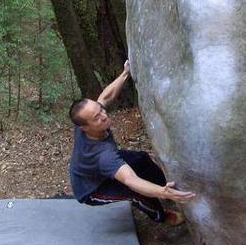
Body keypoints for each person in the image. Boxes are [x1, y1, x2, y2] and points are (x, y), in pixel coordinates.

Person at [69, 61, 195, 225]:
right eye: (97, 117)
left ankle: (163, 186)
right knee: (135, 193)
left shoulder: (87, 121)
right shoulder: (103, 155)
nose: (103, 115)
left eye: (100, 110)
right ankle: (161, 215)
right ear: (84, 128)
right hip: (92, 188)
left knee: (142, 158)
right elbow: (131, 180)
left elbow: (105, 98)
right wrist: (163, 193)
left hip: (94, 168)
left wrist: (125, 73)